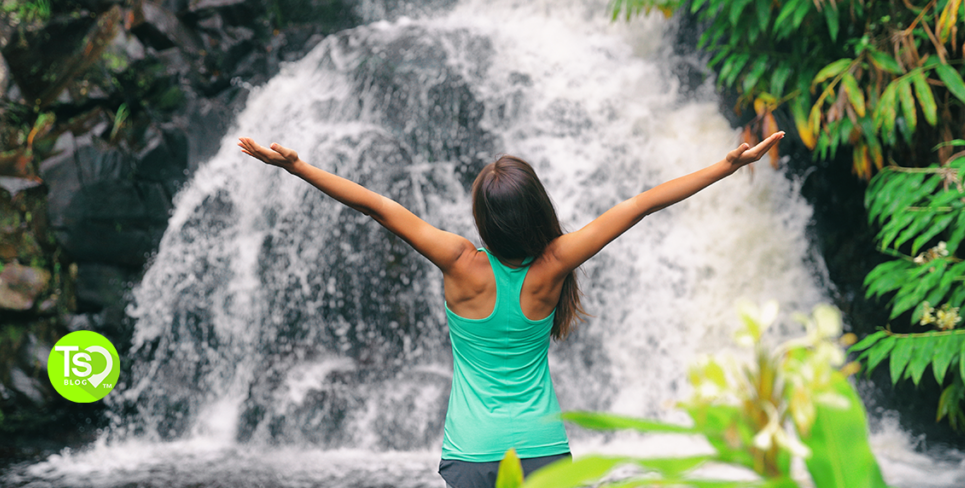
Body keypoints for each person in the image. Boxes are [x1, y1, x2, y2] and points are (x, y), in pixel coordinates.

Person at [238, 130, 785, 488]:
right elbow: (641, 204)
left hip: (472, 456)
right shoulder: (554, 264)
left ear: (484, 218)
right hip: (542, 452)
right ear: (537, 210)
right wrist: (727, 166)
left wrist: (296, 166)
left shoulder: (457, 261)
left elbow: (376, 206)